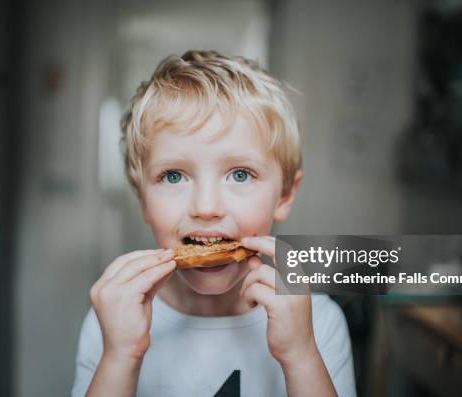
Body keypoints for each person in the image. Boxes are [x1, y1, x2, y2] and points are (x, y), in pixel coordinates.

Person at [71, 50, 356, 397]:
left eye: (240, 174)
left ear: (284, 195)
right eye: (173, 175)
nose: (206, 207)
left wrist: (300, 355)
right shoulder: (111, 321)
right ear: (142, 199)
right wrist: (120, 357)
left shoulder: (318, 322)